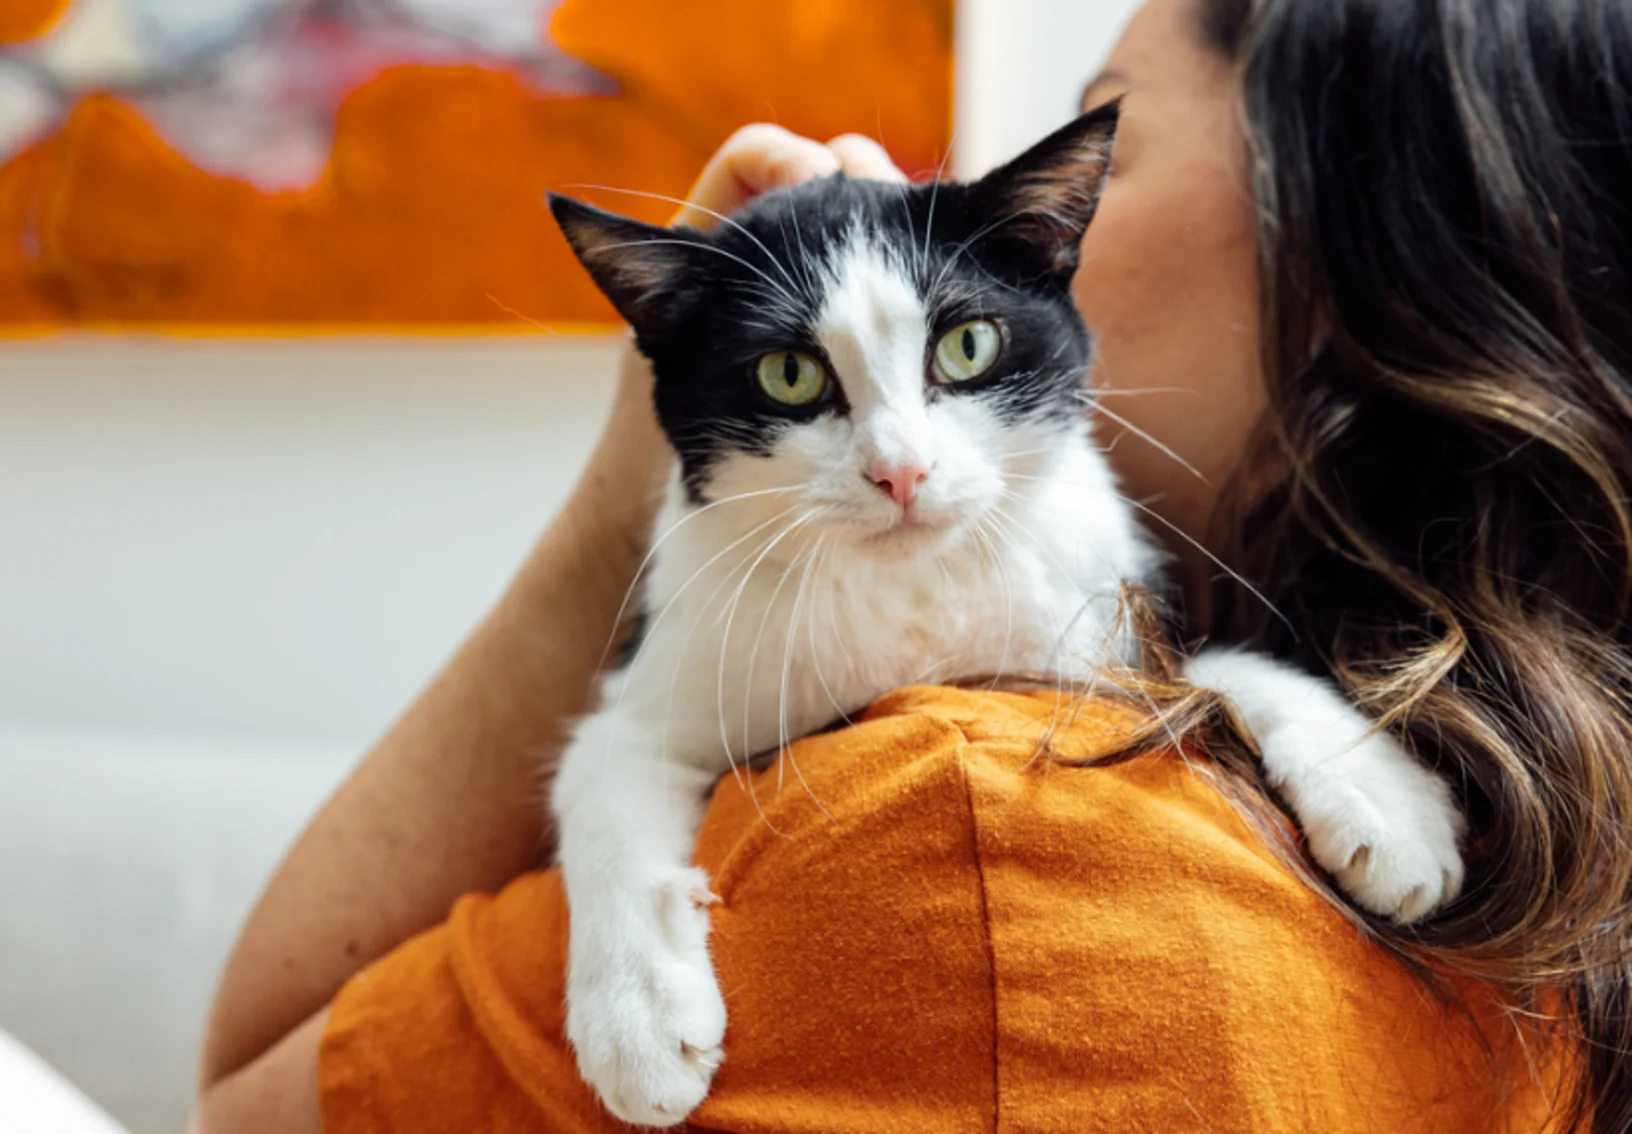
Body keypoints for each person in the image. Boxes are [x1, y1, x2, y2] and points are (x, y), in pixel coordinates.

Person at [191, 0, 1632, 1129]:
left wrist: (608, 509)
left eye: (1095, 142)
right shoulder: (1567, 847)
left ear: (1355, 230)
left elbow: (244, 1095)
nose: (1041, 217)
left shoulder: (961, 832)